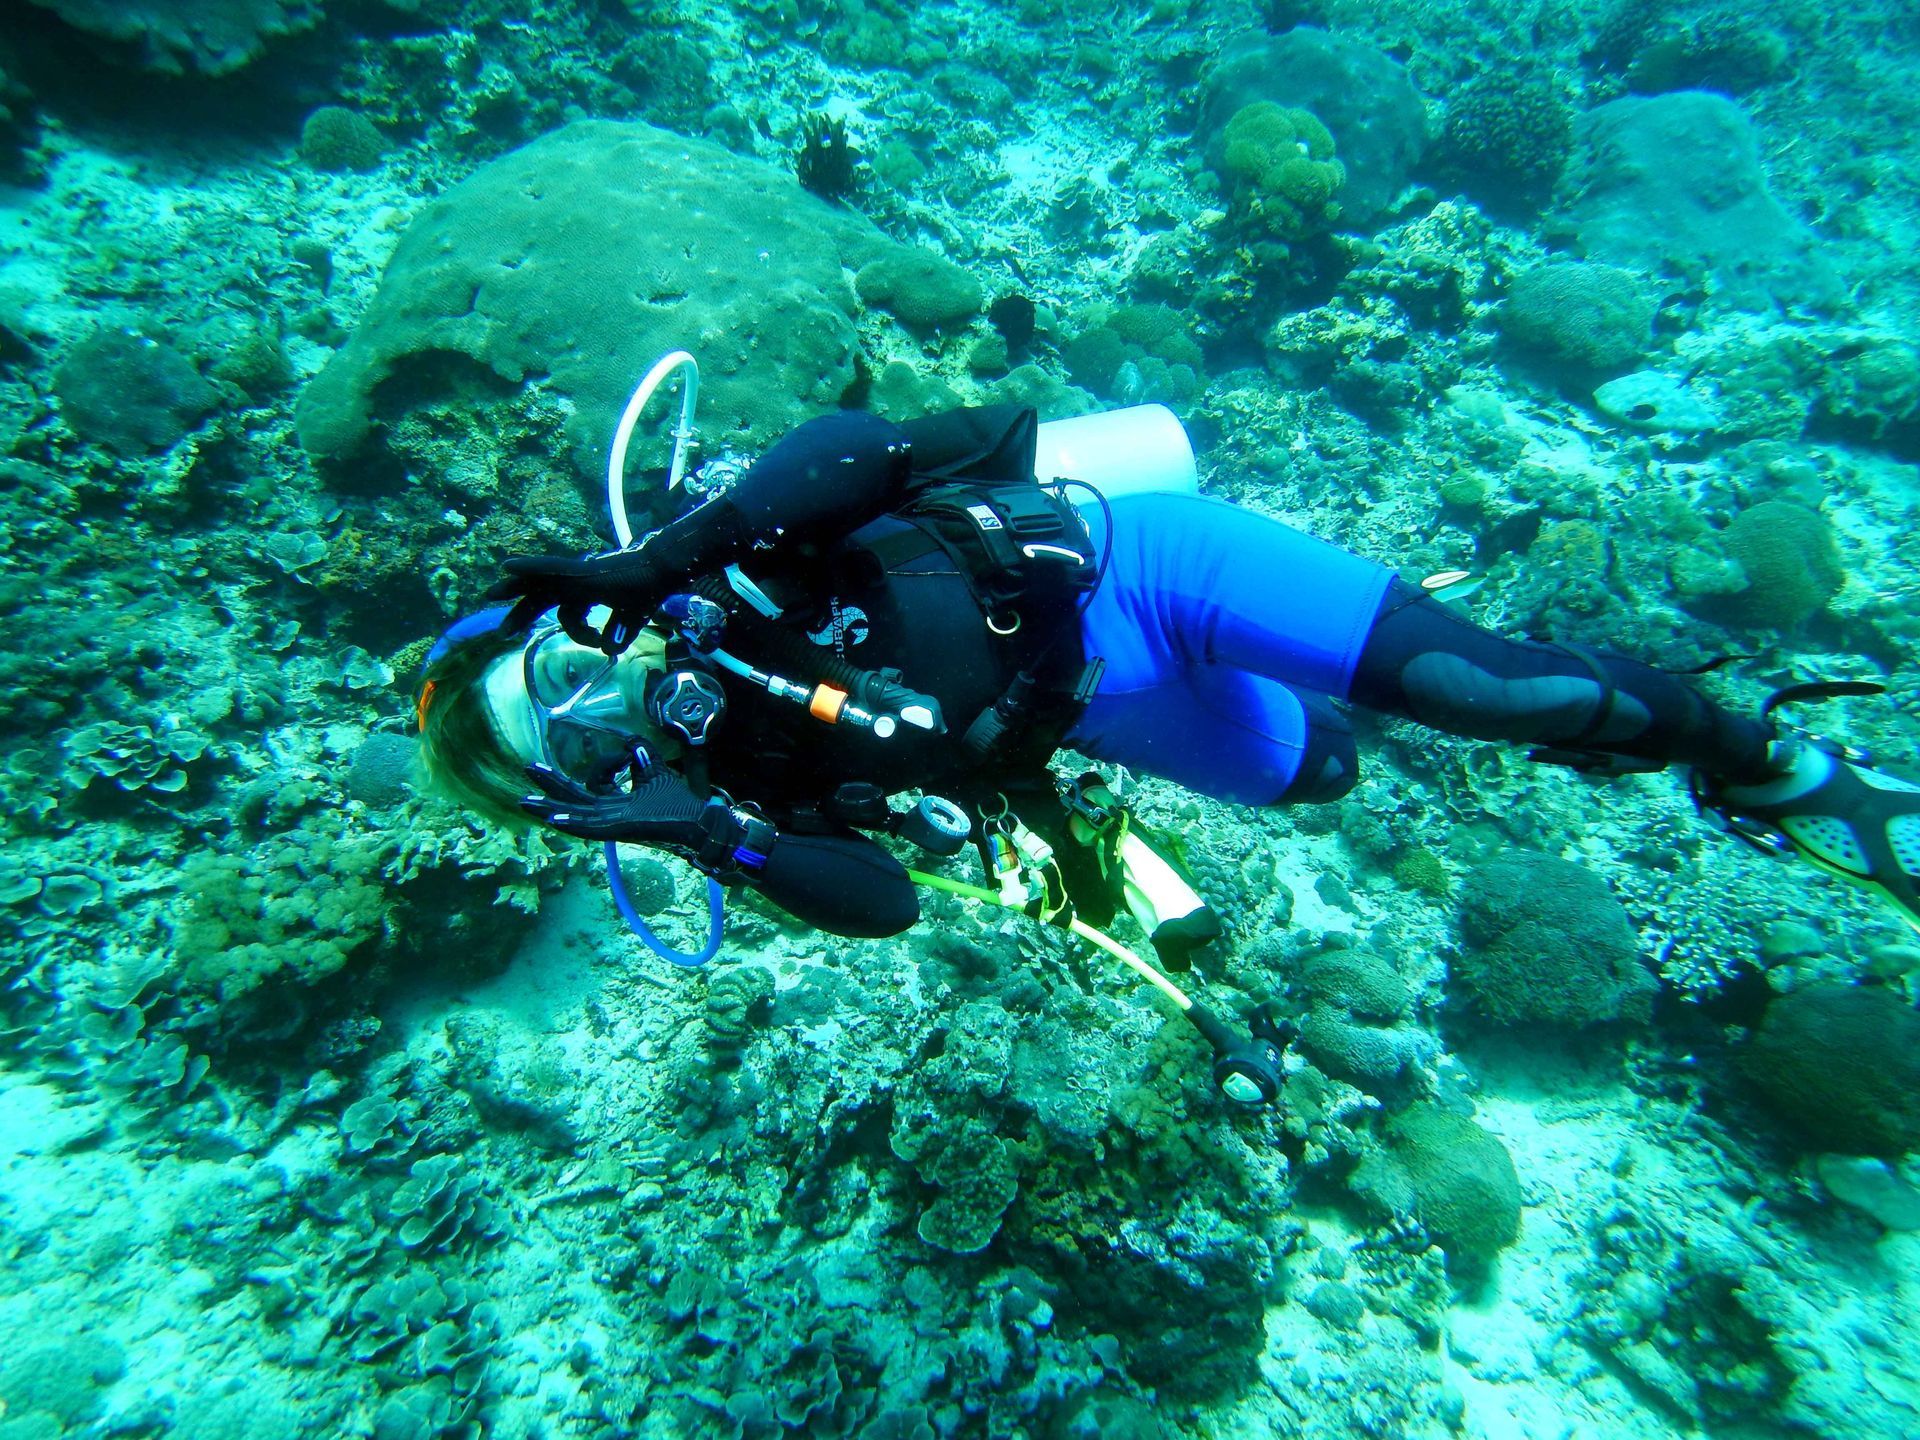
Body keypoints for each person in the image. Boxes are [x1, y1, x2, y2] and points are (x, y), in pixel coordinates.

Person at [417, 403, 1920, 985]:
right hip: (1098, 713)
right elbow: (881, 902)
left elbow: (874, 440)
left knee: (1485, 690)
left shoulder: (718, 567)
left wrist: (681, 545)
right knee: (1322, 776)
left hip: (1149, 569)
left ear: (571, 633)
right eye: (561, 748)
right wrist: (711, 840)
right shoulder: (713, 799)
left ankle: (1764, 753)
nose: (600, 711)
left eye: (559, 678)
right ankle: (1351, 653)